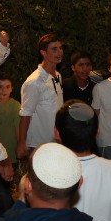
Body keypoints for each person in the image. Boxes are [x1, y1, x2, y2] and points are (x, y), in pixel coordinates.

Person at [17, 33, 64, 161]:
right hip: (38, 145)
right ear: (43, 52)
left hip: (56, 142)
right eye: (54, 49)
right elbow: (25, 114)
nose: (59, 52)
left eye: (60, 48)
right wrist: (21, 143)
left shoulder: (58, 76)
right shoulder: (34, 81)